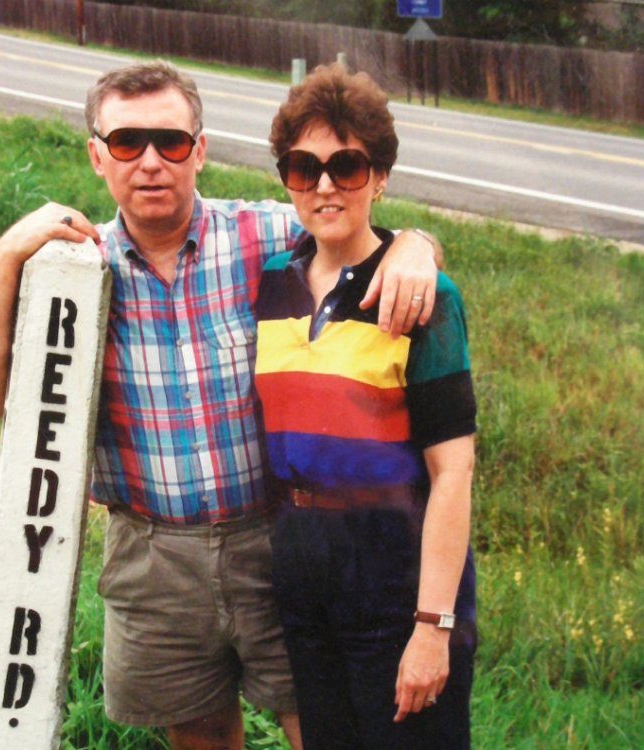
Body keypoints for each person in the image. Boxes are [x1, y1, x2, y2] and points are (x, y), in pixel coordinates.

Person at [0, 60, 441, 750]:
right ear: (97, 156)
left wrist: (416, 245)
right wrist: (7, 250)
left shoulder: (268, 236)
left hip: (277, 537)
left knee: (322, 727)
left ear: (201, 150)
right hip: (152, 555)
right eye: (127, 142)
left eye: (172, 142)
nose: (151, 162)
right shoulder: (74, 269)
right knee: (201, 734)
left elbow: (361, 231)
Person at [254, 63, 477, 749]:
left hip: (395, 572)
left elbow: (453, 473)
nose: (324, 185)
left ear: (379, 177)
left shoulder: (423, 296)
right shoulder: (273, 283)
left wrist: (433, 627)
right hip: (302, 566)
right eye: (304, 168)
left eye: (345, 166)